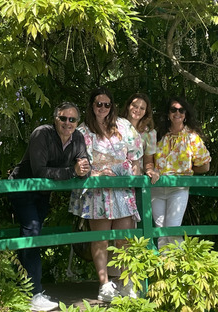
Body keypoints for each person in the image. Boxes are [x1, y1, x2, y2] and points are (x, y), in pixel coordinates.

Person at [9, 102, 91, 312]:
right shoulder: (41, 134)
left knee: (33, 235)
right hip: (23, 187)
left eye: (72, 120)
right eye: (63, 118)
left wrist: (83, 169)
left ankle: (25, 289)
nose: (67, 123)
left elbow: (85, 166)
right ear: (55, 119)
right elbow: (39, 171)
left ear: (77, 122)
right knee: (32, 232)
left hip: (43, 193)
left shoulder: (78, 137)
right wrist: (72, 171)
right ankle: (33, 293)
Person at [69, 87, 143, 302]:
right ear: (92, 106)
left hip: (120, 189)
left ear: (112, 106)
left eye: (106, 104)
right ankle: (104, 285)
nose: (102, 108)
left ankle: (126, 282)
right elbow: (79, 162)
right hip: (97, 191)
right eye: (98, 104)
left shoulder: (123, 126)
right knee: (100, 239)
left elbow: (136, 155)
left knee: (124, 239)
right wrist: (99, 171)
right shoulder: (82, 131)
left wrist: (117, 170)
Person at [152, 97, 211, 248]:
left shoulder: (192, 137)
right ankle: (165, 268)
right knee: (160, 232)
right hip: (156, 188)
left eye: (181, 110)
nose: (177, 113)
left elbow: (205, 166)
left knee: (172, 229)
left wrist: (188, 171)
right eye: (173, 109)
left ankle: (182, 264)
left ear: (185, 114)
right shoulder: (158, 135)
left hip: (178, 189)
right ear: (168, 113)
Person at [121, 93, 159, 184]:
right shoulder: (116, 126)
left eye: (142, 108)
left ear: (146, 111)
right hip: (116, 176)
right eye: (135, 106)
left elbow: (148, 160)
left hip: (136, 178)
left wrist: (150, 170)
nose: (137, 110)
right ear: (128, 106)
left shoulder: (149, 133)